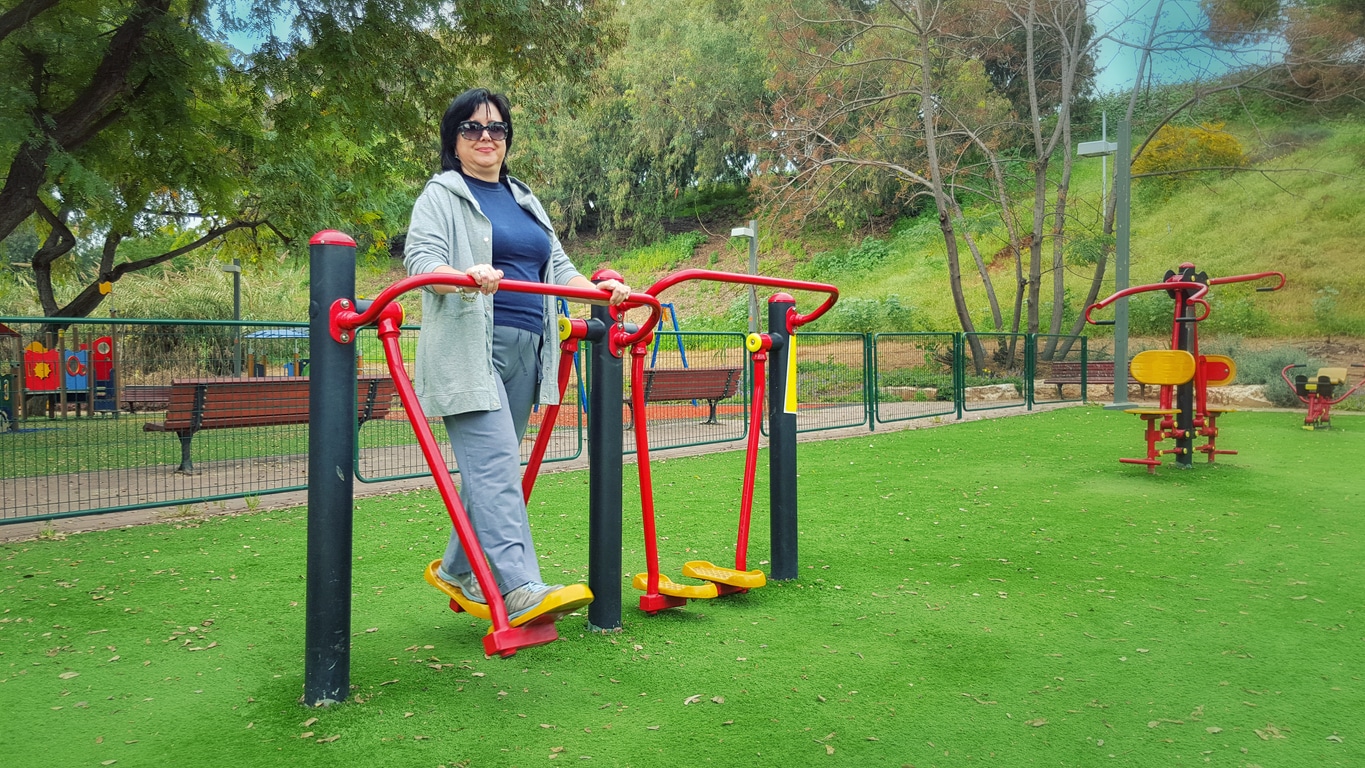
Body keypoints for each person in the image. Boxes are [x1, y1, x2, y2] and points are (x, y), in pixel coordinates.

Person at [404, 88, 631, 621]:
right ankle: (522, 586)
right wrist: (463, 278)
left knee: (490, 469)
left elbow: (558, 267)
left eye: (497, 129)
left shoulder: (525, 199)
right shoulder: (443, 194)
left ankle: (458, 568)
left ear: (507, 138)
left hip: (529, 350)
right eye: (472, 128)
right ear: (454, 139)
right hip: (469, 348)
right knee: (499, 466)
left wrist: (604, 289)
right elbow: (422, 262)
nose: (486, 137)